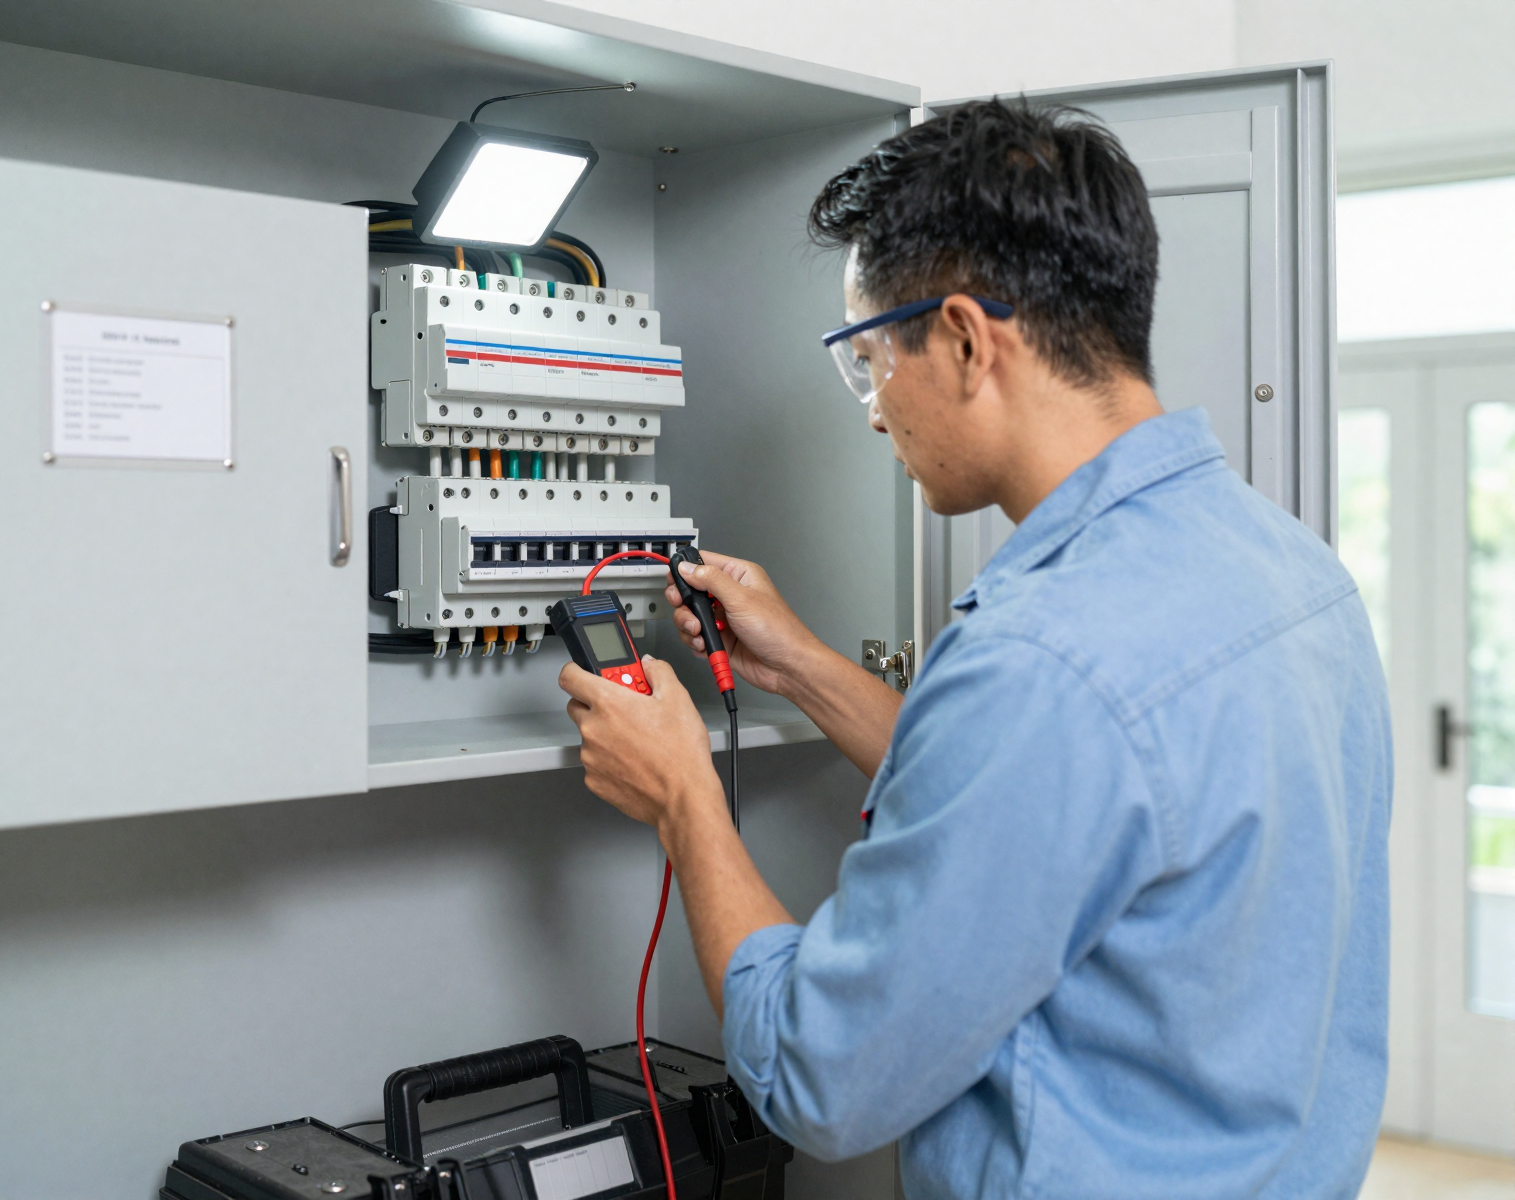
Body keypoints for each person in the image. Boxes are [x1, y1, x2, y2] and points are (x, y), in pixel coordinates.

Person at [559, 98, 1391, 1200]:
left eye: (870, 363)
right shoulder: (1291, 572)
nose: (871, 413)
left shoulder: (1040, 657)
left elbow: (820, 1076)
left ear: (961, 338)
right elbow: (1061, 811)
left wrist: (683, 798)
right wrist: (802, 664)